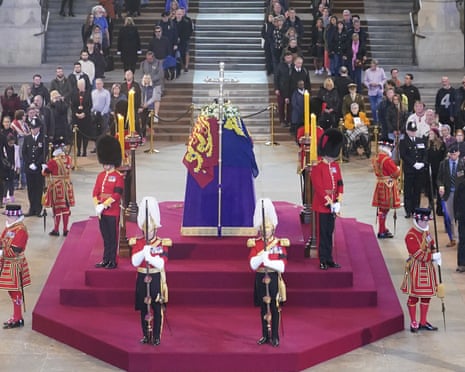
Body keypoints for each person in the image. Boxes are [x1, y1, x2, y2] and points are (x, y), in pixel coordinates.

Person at [130, 196, 170, 346]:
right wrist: (142, 252)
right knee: (143, 308)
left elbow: (161, 263)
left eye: (150, 230)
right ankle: (146, 335)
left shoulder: (162, 243)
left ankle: (157, 336)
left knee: (156, 307)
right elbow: (134, 261)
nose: (147, 234)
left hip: (155, 279)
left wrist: (149, 255)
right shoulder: (138, 242)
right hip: (141, 277)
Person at [248, 198, 288, 348]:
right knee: (263, 308)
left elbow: (282, 265)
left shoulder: (278, 244)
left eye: (268, 228)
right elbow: (252, 264)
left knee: (275, 307)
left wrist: (268, 261)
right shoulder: (256, 243)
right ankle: (265, 334)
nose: (266, 231)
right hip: (260, 277)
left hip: (272, 276)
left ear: (273, 228)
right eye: (263, 229)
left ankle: (275, 336)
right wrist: (260, 258)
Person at [400, 207, 440, 333]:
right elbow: (418, 254)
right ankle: (413, 321)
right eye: (423, 221)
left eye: (427, 221)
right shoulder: (411, 235)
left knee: (426, 296)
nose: (425, 223)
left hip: (427, 268)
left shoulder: (426, 233)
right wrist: (432, 256)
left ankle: (423, 321)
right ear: (417, 220)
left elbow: (431, 244)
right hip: (416, 268)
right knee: (414, 296)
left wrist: (435, 254)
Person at [311, 128, 344, 270]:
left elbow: (340, 182)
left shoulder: (335, 165)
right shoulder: (318, 167)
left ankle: (329, 258)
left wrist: (339, 197)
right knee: (322, 233)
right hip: (322, 205)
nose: (332, 159)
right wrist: (329, 201)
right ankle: (322, 259)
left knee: (330, 233)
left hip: (333, 204)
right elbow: (318, 187)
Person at [92, 135, 124, 270]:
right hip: (101, 212)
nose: (105, 165)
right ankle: (105, 259)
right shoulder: (100, 176)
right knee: (105, 238)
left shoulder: (118, 177)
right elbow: (95, 192)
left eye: (107, 163)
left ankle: (112, 260)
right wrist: (97, 205)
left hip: (112, 211)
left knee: (112, 238)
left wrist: (104, 205)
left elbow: (117, 194)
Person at [0, 204, 31, 329]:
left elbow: (16, 250)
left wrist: (2, 251)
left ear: (15, 216)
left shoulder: (20, 230)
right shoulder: (9, 228)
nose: (7, 218)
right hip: (7, 262)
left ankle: (17, 317)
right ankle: (17, 317)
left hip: (14, 263)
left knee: (14, 290)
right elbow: (2, 241)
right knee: (11, 290)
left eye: (8, 216)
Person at [41, 143, 75, 237]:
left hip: (57, 186)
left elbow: (45, 173)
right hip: (67, 185)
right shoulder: (69, 159)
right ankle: (65, 229)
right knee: (66, 208)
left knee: (57, 208)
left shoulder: (52, 161)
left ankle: (56, 229)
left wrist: (44, 168)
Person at [371, 139, 401, 238]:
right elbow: (395, 174)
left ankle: (382, 228)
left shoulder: (376, 157)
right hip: (387, 186)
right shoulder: (386, 160)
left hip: (380, 183)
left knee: (382, 208)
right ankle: (381, 230)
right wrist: (398, 169)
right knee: (385, 209)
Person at [437, 143, 464, 248]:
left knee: (459, 216)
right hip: (448, 194)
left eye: (455, 154)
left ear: (458, 153)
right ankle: (453, 238)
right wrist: (441, 186)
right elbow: (439, 178)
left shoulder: (462, 164)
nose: (453, 156)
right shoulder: (443, 164)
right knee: (450, 217)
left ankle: (460, 239)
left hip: (460, 194)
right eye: (451, 154)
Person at [399, 121, 428, 218]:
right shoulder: (403, 141)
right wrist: (413, 163)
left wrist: (422, 163)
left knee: (417, 190)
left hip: (419, 170)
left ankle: (416, 209)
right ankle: (408, 210)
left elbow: (424, 153)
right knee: (408, 190)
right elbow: (403, 155)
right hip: (409, 170)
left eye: (414, 131)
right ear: (407, 131)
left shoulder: (420, 140)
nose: (413, 133)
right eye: (411, 131)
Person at [22, 117, 46, 217]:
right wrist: (29, 163)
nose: (33, 130)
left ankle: (38, 208)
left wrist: (36, 163)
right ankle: (32, 208)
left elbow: (43, 153)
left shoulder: (43, 139)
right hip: (29, 169)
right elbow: (24, 152)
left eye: (35, 128)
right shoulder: (27, 138)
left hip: (38, 168)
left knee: (38, 188)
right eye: (32, 128)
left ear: (39, 128)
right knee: (31, 189)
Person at [363, 59, 386, 124]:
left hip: (379, 90)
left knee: (379, 106)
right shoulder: (367, 71)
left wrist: (379, 83)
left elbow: (384, 79)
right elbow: (365, 81)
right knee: (373, 108)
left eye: (373, 65)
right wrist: (369, 85)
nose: (372, 66)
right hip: (371, 91)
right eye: (371, 65)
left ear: (376, 65)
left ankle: (380, 120)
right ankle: (375, 121)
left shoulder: (381, 70)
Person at [139, 74, 161, 139]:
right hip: (142, 107)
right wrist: (141, 105)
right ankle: (143, 137)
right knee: (143, 122)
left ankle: (151, 134)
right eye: (145, 78)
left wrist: (147, 103)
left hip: (150, 107)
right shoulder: (141, 87)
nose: (146, 80)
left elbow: (154, 98)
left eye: (148, 78)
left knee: (148, 122)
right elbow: (139, 96)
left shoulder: (153, 87)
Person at [453, 165, 465, 272]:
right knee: (462, 239)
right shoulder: (461, 185)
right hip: (463, 216)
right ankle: (461, 263)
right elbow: (456, 201)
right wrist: (456, 215)